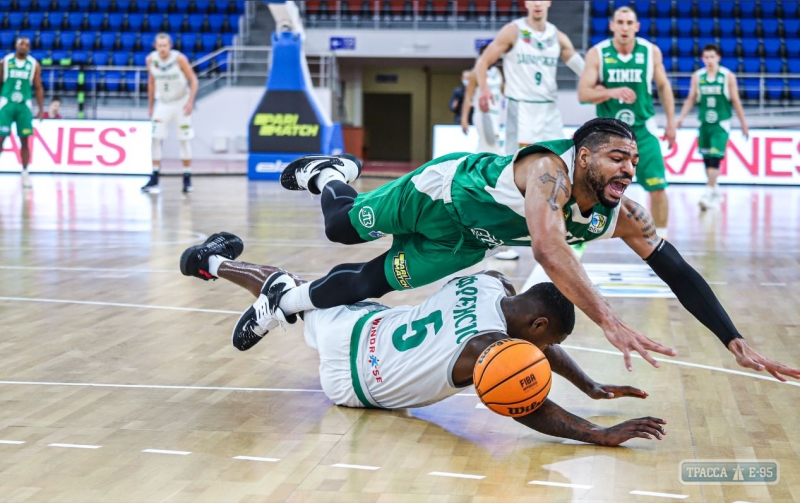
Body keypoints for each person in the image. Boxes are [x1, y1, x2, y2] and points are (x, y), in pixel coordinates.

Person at [203, 118, 800, 382]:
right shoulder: (548, 171)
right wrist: (611, 321)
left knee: (370, 283)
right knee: (339, 227)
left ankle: (283, 300)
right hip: (438, 195)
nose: (628, 171)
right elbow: (546, 245)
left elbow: (680, 272)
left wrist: (734, 339)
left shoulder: (622, 215)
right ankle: (332, 172)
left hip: (469, 241)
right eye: (618, 159)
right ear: (584, 155)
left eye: (634, 163)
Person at [180, 232, 668, 446]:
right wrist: (596, 433)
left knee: (299, 292)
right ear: (537, 327)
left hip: (366, 328)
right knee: (292, 293)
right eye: (543, 344)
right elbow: (529, 405)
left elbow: (534, 345)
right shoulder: (485, 351)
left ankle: (217, 265)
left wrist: (588, 385)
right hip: (353, 383)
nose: (539, 354)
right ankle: (218, 267)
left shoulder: (490, 282)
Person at [474, 0, 586, 261]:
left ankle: (562, 234)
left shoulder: (557, 36)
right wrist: (485, 89)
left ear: (548, 3)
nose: (537, 3)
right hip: (520, 110)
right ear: (526, 3)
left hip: (549, 110)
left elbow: (583, 68)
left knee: (562, 170)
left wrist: (599, 83)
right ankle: (500, 241)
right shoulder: (512, 31)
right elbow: (483, 62)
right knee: (513, 176)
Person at [579, 5, 675, 238]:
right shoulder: (598, 53)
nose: (624, 27)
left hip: (642, 130)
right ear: (612, 26)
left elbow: (663, 85)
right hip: (607, 135)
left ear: (637, 27)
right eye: (620, 22)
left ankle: (661, 238)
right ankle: (581, 234)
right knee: (590, 187)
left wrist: (671, 122)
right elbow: (583, 94)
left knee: (658, 188)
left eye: (629, 23)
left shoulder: (650, 51)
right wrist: (612, 92)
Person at [676, 43, 749, 210]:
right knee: (707, 160)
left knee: (715, 158)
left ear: (718, 58)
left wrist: (744, 124)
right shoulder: (697, 76)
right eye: (706, 57)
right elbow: (691, 99)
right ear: (703, 59)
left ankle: (708, 191)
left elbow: (736, 101)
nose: (709, 60)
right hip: (704, 124)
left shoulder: (727, 76)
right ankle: (715, 190)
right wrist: (680, 118)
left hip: (721, 124)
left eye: (712, 57)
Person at [141, 33, 198, 194]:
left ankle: (187, 178)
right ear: (155, 46)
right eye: (159, 46)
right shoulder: (150, 60)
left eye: (165, 46)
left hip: (181, 102)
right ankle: (154, 177)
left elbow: (193, 80)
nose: (162, 49)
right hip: (163, 103)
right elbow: (151, 83)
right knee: (155, 138)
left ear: (170, 46)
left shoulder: (179, 59)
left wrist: (190, 101)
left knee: (184, 139)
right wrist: (151, 105)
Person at [0, 37, 44, 189]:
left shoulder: (33, 64)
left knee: (25, 141)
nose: (24, 47)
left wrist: (40, 109)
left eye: (27, 45)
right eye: (21, 44)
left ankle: (25, 173)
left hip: (24, 106)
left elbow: (38, 87)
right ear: (16, 45)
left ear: (30, 48)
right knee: (0, 139)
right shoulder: (5, 61)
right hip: (6, 104)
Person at [461, 45, 504, 155]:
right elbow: (468, 96)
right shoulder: (475, 73)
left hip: (497, 114)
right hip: (484, 113)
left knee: (484, 146)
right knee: (493, 145)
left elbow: (504, 91)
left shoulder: (497, 72)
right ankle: (495, 170)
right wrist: (464, 118)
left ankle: (474, 169)